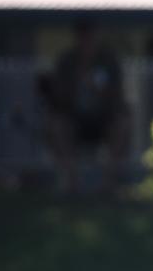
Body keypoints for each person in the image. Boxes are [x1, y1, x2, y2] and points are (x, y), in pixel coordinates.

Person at [39, 20, 131, 193]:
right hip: (74, 119)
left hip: (103, 119)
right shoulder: (67, 61)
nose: (87, 41)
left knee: (122, 123)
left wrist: (98, 89)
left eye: (91, 36)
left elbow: (117, 94)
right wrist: (77, 83)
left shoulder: (108, 60)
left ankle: (110, 182)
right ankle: (70, 181)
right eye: (84, 36)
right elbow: (58, 96)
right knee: (56, 125)